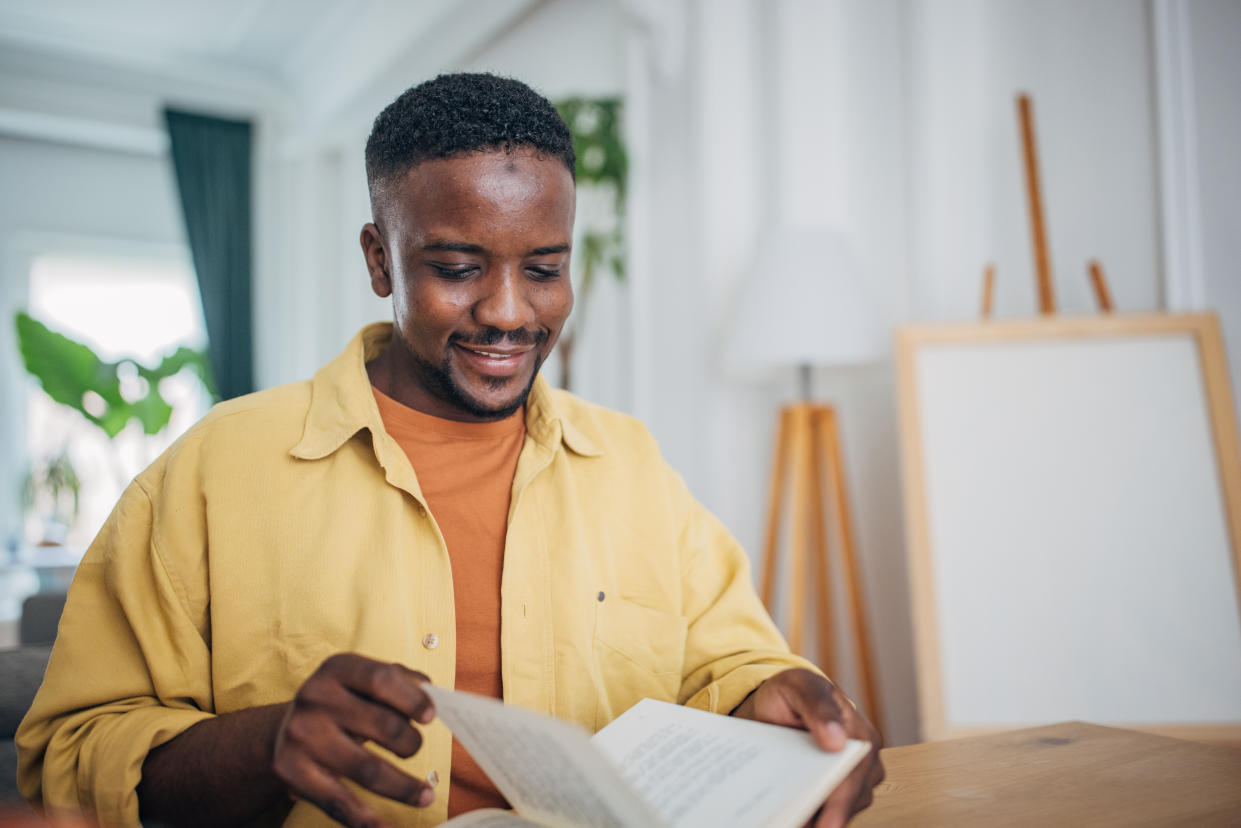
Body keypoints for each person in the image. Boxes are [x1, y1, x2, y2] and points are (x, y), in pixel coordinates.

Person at [17, 73, 883, 828]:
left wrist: (777, 708)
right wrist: (267, 743)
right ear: (379, 260)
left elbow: (736, 664)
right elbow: (70, 748)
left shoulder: (631, 467)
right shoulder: (214, 472)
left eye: (543, 268)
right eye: (459, 267)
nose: (509, 311)